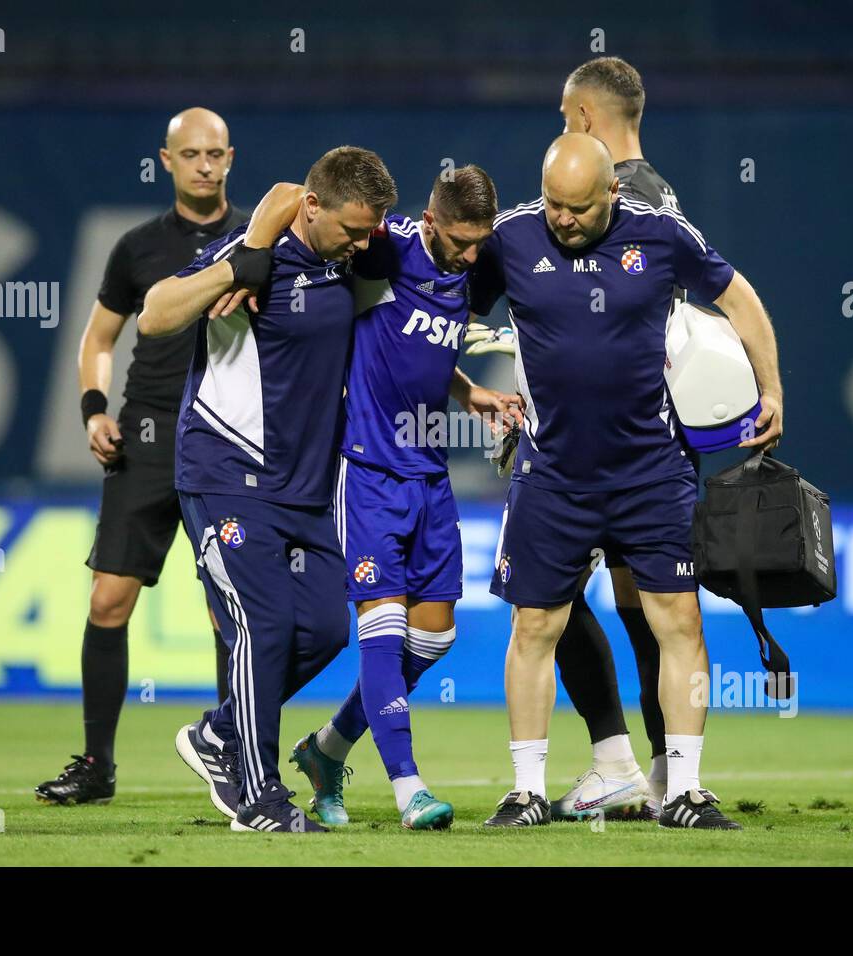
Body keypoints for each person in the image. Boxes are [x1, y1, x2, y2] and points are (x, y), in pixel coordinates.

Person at [469, 133, 783, 829]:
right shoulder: (512, 238)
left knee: (679, 622)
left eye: (578, 208)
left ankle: (685, 792)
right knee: (534, 626)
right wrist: (464, 391)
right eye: (553, 203)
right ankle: (524, 792)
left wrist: (772, 390)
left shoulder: (663, 236)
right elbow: (437, 317)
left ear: (612, 192)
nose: (562, 220)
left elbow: (740, 299)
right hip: (552, 476)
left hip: (652, 473)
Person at [139, 147, 399, 833]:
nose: (362, 242)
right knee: (266, 625)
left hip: (306, 490)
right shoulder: (258, 259)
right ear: (314, 209)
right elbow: (156, 313)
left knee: (321, 630)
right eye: (350, 228)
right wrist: (238, 264)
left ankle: (220, 734)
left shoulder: (345, 252)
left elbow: (288, 186)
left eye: (370, 230)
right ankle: (259, 799)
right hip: (227, 475)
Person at [285, 166, 522, 830]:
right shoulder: (384, 247)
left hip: (429, 473)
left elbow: (425, 347)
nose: (471, 255)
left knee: (433, 638)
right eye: (459, 241)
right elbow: (291, 201)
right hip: (366, 471)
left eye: (479, 242)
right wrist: (246, 267)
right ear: (430, 221)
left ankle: (326, 749)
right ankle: (408, 787)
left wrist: (469, 392)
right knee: (382, 634)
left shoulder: (473, 265)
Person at [35, 107, 246, 806]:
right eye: (192, 154)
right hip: (148, 433)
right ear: (167, 160)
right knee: (108, 600)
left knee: (230, 613)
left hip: (228, 440)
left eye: (215, 153)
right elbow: (98, 340)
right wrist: (93, 410)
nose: (205, 165)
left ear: (230, 158)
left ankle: (242, 760)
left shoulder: (256, 240)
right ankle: (97, 765)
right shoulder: (136, 248)